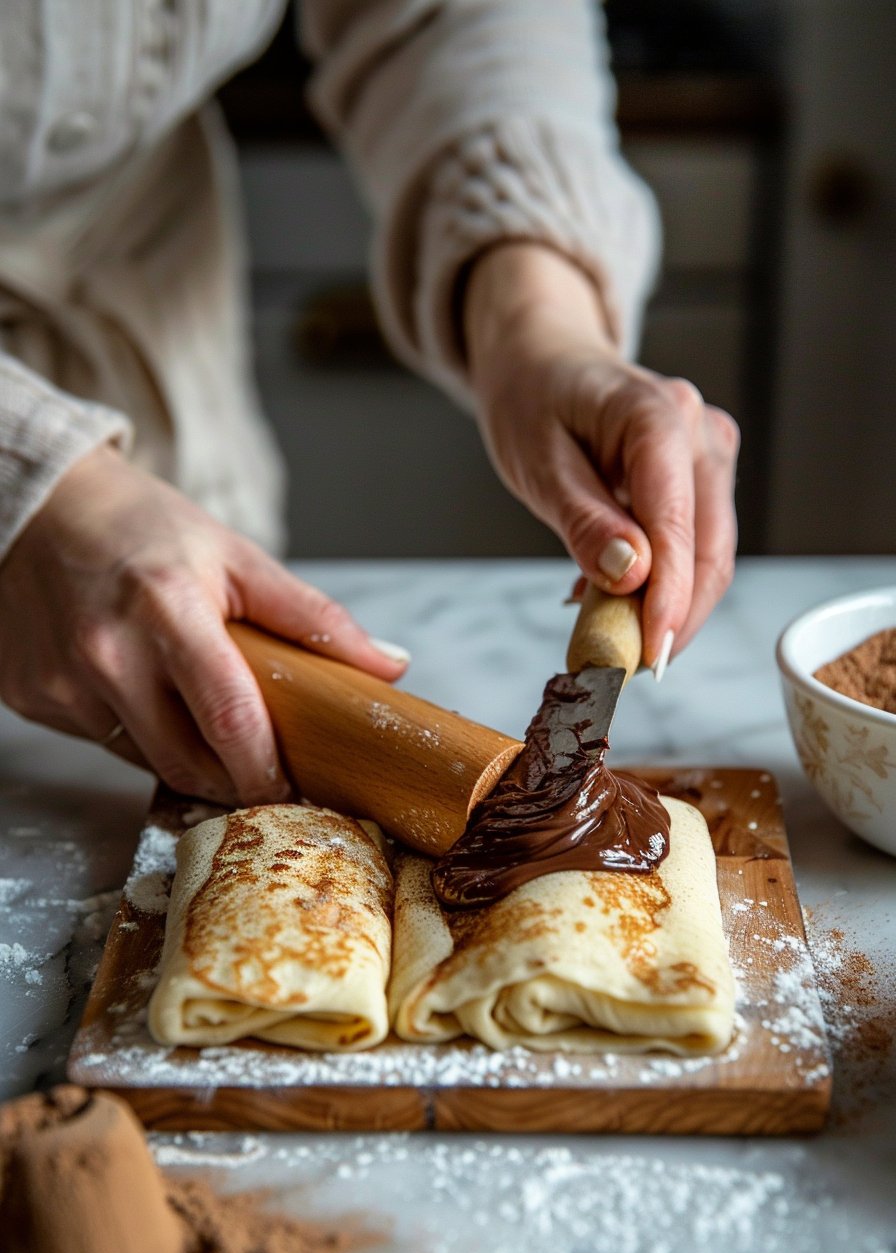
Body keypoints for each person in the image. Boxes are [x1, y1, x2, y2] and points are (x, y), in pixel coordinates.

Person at [0, 1, 739, 808]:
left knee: (219, 724)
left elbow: (445, 13)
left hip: (148, 342)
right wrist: (26, 480)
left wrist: (537, 322)